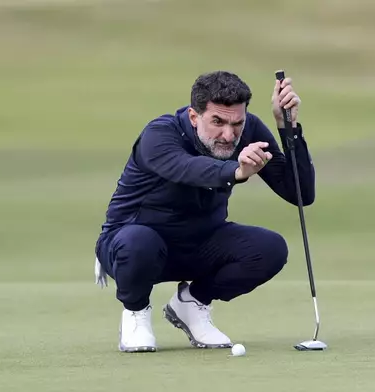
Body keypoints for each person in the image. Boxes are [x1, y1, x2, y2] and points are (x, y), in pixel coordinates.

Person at [93, 70, 316, 353]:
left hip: (200, 243)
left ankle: (192, 303)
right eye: (218, 122)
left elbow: (301, 194)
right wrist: (236, 170)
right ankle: (135, 313)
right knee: (138, 243)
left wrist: (288, 128)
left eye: (237, 123)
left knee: (269, 249)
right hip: (133, 243)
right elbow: (189, 169)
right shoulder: (159, 134)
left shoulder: (248, 131)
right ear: (194, 116)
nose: (228, 134)